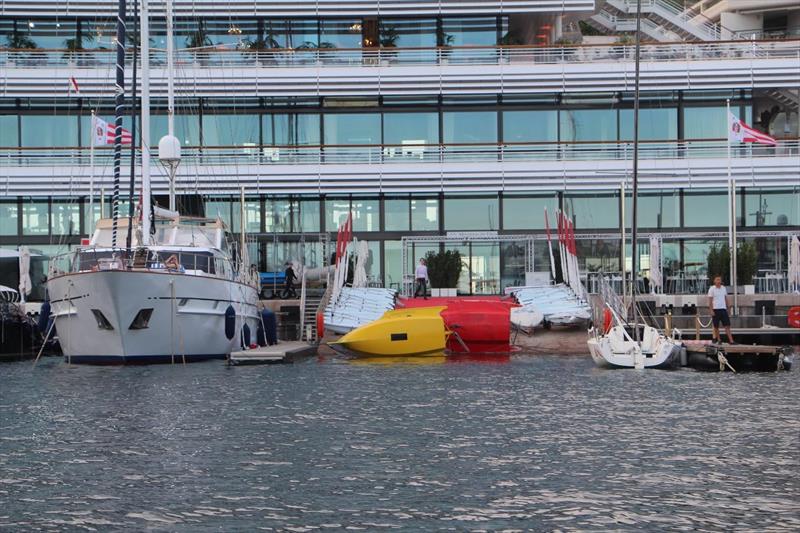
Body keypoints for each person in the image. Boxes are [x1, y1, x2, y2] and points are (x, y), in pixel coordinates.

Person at [707, 275, 734, 344]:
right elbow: (710, 300)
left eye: (720, 280)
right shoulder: (711, 289)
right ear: (714, 281)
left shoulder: (723, 288)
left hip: (723, 309)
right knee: (716, 326)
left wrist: (729, 307)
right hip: (715, 309)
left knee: (727, 325)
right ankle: (719, 340)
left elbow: (726, 298)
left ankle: (731, 341)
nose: (719, 281)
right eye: (717, 279)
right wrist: (711, 310)